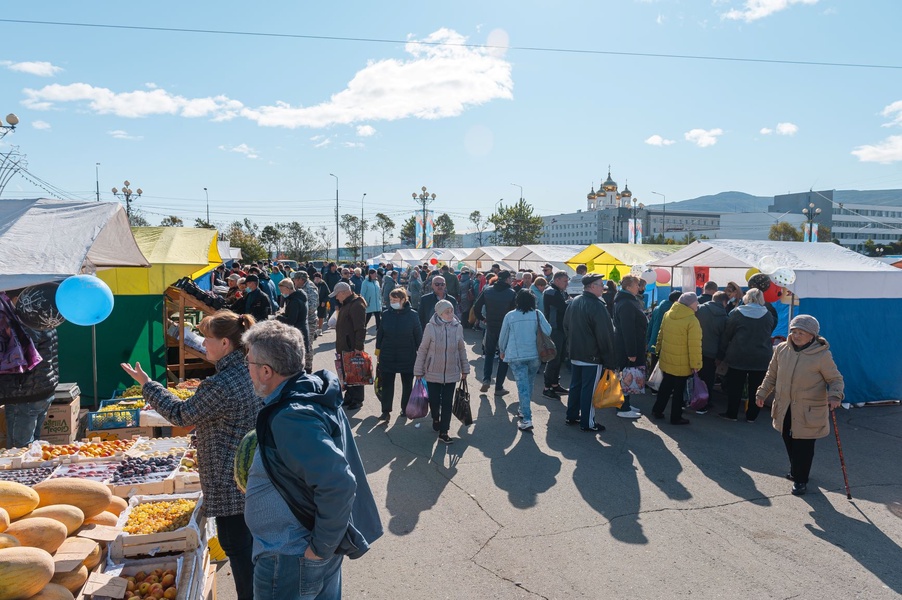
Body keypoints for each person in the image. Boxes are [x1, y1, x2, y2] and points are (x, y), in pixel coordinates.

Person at [121, 311, 261, 600]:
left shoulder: (221, 384)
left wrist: (148, 385)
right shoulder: (250, 369)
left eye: (206, 339)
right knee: (251, 556)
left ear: (225, 343)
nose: (202, 344)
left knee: (240, 556)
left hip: (228, 482)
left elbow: (182, 415)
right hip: (250, 477)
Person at [242, 320, 383, 599]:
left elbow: (339, 484)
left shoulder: (292, 416)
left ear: (266, 371)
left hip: (291, 557)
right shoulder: (309, 392)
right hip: (302, 552)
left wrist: (318, 550)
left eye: (248, 362)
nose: (246, 369)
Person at [755, 315, 844, 496]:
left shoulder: (822, 355)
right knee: (788, 439)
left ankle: (800, 479)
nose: (796, 335)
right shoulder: (781, 349)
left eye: (801, 332)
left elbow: (835, 379)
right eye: (794, 331)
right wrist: (762, 393)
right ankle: (797, 470)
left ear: (812, 335)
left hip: (808, 410)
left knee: (803, 446)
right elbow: (771, 375)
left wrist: (835, 396)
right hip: (785, 406)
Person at [563, 274, 616, 432]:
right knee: (588, 390)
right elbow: (605, 335)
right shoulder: (596, 306)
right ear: (592, 286)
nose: (603, 288)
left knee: (576, 386)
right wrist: (609, 360)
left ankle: (571, 415)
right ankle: (587, 422)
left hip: (576, 352)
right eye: (601, 285)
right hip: (591, 356)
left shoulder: (575, 301)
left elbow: (566, 326)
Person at [414, 299, 469, 444]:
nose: (451, 314)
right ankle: (435, 418)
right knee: (434, 400)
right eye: (447, 311)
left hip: (452, 371)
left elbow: (461, 349)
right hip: (432, 371)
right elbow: (423, 349)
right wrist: (418, 370)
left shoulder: (457, 327)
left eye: (452, 310)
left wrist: (465, 369)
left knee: (447, 402)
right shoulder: (430, 327)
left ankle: (444, 431)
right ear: (439, 313)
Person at [0, 310, 58, 448]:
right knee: (32, 447)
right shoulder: (45, 320)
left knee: (18, 449)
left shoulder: (22, 326)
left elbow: (18, 359)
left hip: (24, 394)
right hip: (42, 389)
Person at [718, 288, 776, 423]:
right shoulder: (768, 315)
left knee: (735, 386)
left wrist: (722, 352)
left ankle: (732, 414)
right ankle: (752, 416)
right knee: (757, 388)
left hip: (739, 354)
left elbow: (728, 333)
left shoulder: (737, 313)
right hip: (761, 356)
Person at [499, 290, 552, 432]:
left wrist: (502, 350)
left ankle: (527, 418)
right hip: (535, 354)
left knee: (522, 386)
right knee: (529, 383)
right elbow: (548, 330)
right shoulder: (537, 314)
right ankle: (523, 410)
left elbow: (503, 335)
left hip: (516, 355)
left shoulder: (510, 316)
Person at [652, 292, 702, 425]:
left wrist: (657, 350)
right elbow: (694, 345)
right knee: (679, 390)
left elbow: (660, 334)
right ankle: (676, 417)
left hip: (667, 358)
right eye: (695, 301)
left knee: (666, 386)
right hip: (682, 362)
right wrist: (696, 363)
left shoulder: (668, 314)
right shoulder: (692, 320)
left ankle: (657, 410)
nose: (697, 304)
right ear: (690, 303)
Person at [376, 288, 422, 421]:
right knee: (387, 384)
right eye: (391, 300)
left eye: (395, 300)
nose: (392, 302)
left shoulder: (413, 315)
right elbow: (380, 334)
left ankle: (405, 408)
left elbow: (418, 335)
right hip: (388, 354)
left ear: (403, 300)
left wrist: (422, 354)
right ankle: (385, 411)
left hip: (407, 355)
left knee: (407, 384)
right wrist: (378, 350)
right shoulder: (386, 314)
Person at [473, 270, 516, 395]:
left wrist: (482, 319)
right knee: (503, 357)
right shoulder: (511, 293)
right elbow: (514, 311)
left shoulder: (488, 290)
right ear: (507, 279)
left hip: (490, 325)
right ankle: (498, 387)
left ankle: (486, 379)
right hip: (505, 327)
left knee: (489, 354)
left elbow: (476, 307)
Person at [611, 275, 646, 420]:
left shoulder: (626, 300)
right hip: (626, 346)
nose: (639, 287)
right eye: (637, 284)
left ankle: (625, 404)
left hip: (626, 345)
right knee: (626, 376)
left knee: (626, 375)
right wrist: (631, 351)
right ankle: (623, 407)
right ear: (629, 286)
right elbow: (628, 330)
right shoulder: (626, 303)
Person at [331, 282, 367, 410]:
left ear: (344, 293)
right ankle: (349, 396)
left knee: (355, 372)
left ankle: (357, 399)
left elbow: (360, 328)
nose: (336, 298)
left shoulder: (356, 305)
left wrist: (358, 347)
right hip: (344, 344)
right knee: (347, 373)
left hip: (351, 345)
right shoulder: (347, 304)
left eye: (337, 295)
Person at [695, 291, 729, 414]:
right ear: (724, 302)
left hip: (695, 349)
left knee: (692, 377)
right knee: (708, 379)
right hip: (712, 353)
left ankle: (688, 400)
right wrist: (720, 356)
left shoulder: (698, 309)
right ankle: (704, 403)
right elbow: (724, 340)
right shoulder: (725, 318)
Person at [542, 271, 570, 399]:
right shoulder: (551, 292)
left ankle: (555, 384)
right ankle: (547, 387)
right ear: (557, 280)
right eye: (565, 281)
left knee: (559, 358)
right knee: (553, 358)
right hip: (555, 329)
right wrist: (571, 302)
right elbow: (563, 307)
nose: (567, 283)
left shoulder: (559, 291)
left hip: (561, 328)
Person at [276, 279, 312, 373]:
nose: (281, 293)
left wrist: (279, 317)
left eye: (281, 290)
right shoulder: (296, 298)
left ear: (287, 288)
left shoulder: (294, 301)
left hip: (298, 331)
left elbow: (291, 320)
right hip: (301, 329)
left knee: (299, 359)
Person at [648, 290, 681, 355]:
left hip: (653, 342)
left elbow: (650, 326)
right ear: (677, 300)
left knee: (654, 363)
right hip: (666, 345)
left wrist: (648, 341)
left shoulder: (656, 309)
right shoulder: (674, 312)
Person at [292, 270, 319, 344]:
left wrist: (299, 311)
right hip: (301, 321)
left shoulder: (310, 288)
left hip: (309, 321)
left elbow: (313, 307)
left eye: (295, 279)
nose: (294, 281)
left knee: (307, 345)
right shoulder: (299, 287)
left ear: (301, 279)